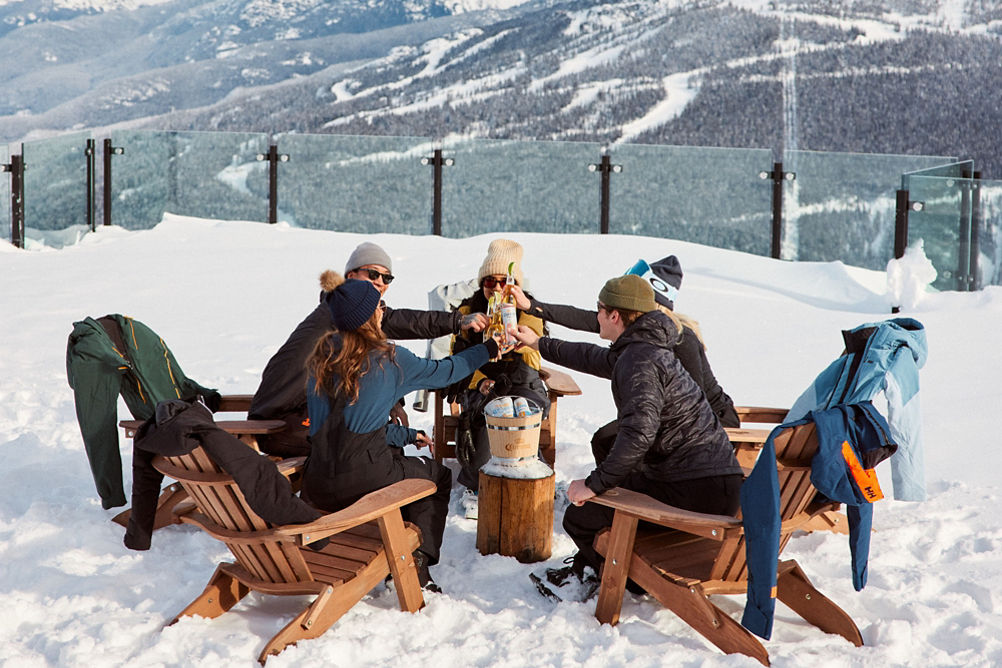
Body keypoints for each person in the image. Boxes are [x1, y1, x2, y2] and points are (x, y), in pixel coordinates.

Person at [511, 274, 743, 599]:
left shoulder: (640, 361)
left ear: (615, 316)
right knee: (608, 469)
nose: (596, 317)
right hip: (709, 481)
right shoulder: (643, 349)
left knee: (581, 517)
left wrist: (593, 484)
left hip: (694, 491)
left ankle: (621, 579)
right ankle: (600, 567)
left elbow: (638, 433)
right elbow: (594, 358)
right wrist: (538, 343)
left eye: (599, 310)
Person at [302, 275, 509, 592]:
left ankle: (397, 547)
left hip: (315, 481)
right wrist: (488, 349)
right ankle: (417, 564)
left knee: (400, 462)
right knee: (435, 476)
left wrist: (405, 436)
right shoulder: (390, 360)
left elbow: (345, 428)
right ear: (370, 317)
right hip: (360, 483)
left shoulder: (321, 357)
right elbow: (447, 371)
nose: (384, 311)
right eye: (380, 306)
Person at [249, 241, 488, 457]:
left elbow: (399, 326)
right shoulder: (343, 315)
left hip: (298, 417)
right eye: (373, 273)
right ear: (350, 275)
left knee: (379, 442)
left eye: (387, 278)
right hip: (282, 425)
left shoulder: (346, 311)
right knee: (374, 447)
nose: (380, 282)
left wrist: (456, 322)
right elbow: (393, 338)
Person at [508, 254, 738, 466]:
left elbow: (695, 404)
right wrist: (532, 307)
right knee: (606, 440)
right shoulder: (638, 330)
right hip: (665, 419)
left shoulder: (681, 339)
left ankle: (628, 500)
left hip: (710, 424)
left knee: (616, 442)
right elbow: (588, 329)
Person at [449, 239, 549, 511]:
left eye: (503, 281)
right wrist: (478, 381)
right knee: (492, 415)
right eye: (489, 281)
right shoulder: (468, 313)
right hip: (482, 381)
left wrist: (519, 340)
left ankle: (527, 483)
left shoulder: (529, 312)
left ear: (514, 285)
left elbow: (535, 359)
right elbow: (456, 360)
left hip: (521, 380)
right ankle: (478, 485)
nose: (495, 288)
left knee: (521, 413)